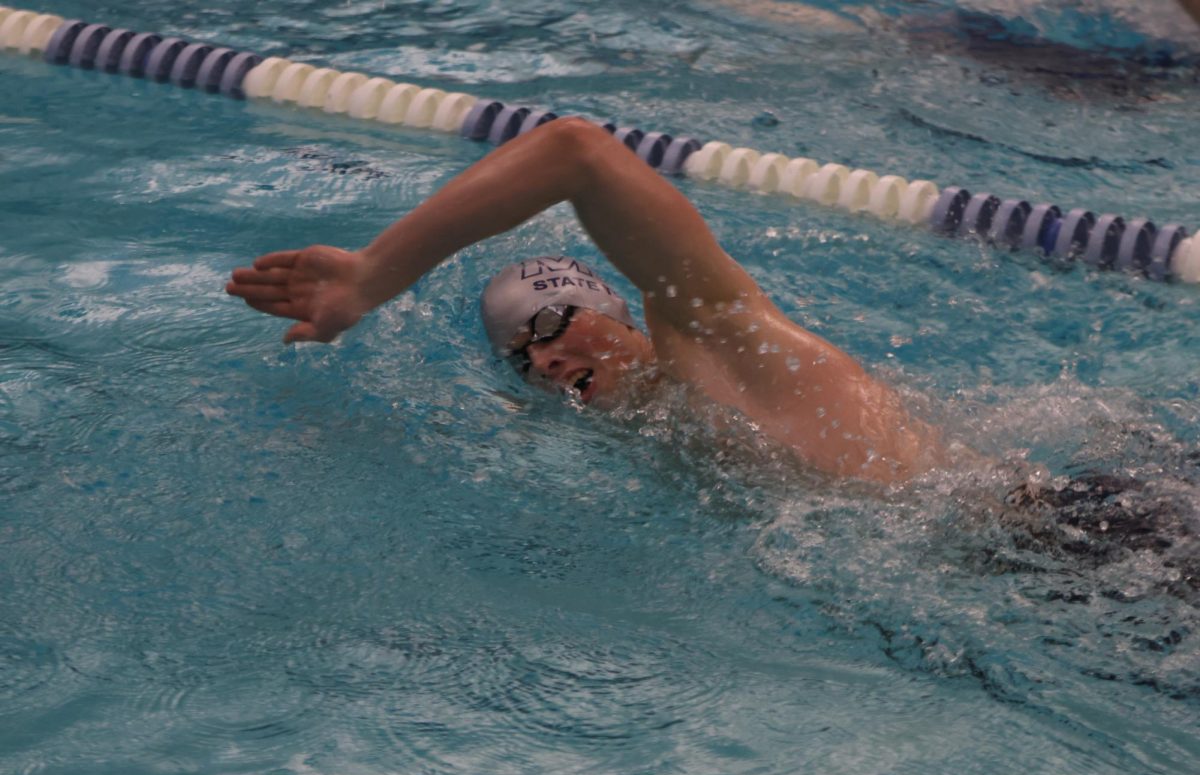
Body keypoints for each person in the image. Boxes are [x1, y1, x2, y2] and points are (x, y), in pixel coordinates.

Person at [227, 117, 947, 484]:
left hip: (1025, 537)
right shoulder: (657, 437)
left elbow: (574, 151)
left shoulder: (717, 335)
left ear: (613, 312)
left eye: (547, 324)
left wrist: (372, 274)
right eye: (521, 356)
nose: (541, 358)